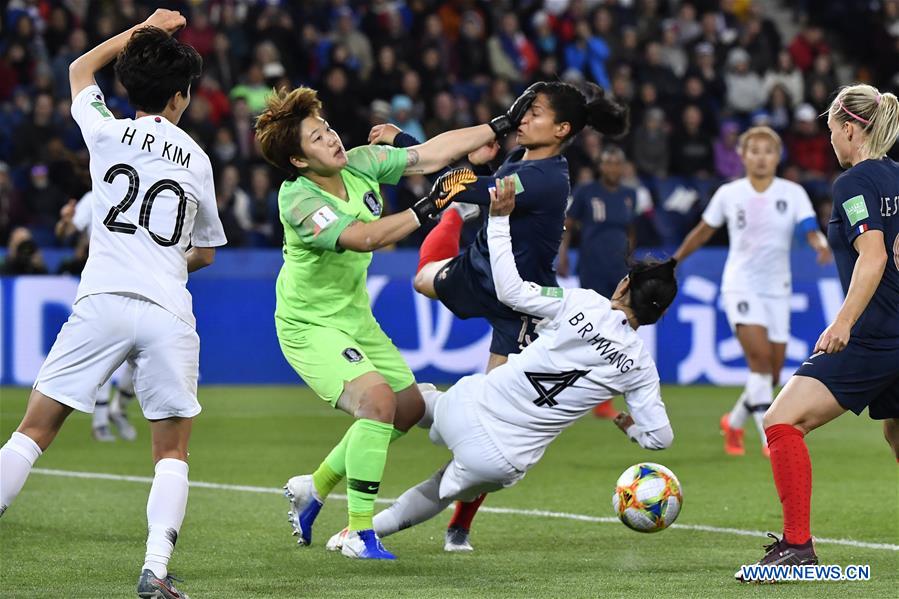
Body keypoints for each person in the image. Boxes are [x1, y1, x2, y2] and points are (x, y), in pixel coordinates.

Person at [0, 12, 227, 599]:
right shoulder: (198, 159)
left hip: (100, 298)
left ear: (130, 87)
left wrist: (144, 26)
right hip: (167, 309)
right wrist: (167, 261)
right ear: (180, 97)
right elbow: (204, 252)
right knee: (170, 452)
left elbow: (79, 68)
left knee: (33, 432)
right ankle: (154, 571)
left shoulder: (105, 130)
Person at [323, 176, 676, 550]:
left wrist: (498, 220)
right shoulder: (640, 366)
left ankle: (320, 483)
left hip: (469, 409)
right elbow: (661, 438)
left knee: (417, 401)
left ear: (623, 286)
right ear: (660, 313)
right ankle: (358, 536)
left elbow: (511, 292)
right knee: (439, 490)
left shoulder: (583, 303)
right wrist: (630, 427)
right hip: (501, 458)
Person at [254, 84, 506, 560]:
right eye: (316, 138)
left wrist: (496, 127)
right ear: (299, 162)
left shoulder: (361, 162)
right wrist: (425, 208)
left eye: (326, 128)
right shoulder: (299, 201)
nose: (331, 139)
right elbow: (365, 237)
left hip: (354, 317)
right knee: (376, 402)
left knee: (406, 409)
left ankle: (315, 487)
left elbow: (430, 155)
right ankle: (358, 530)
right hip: (309, 325)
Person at [386, 81, 628, 552]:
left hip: (519, 303)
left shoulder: (546, 177)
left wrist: (405, 152)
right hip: (482, 269)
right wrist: (440, 176)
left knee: (494, 417)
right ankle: (455, 221)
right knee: (421, 279)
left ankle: (459, 522)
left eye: (534, 113)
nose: (522, 118)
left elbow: (469, 185)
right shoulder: (522, 161)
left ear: (560, 129)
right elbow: (474, 182)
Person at [737, 84, 899, 578]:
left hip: (876, 335)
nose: (830, 141)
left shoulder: (854, 184)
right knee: (898, 436)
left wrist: (843, 323)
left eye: (832, 131)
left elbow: (871, 258)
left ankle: (797, 545)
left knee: (782, 421)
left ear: (850, 128)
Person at [673, 126, 831, 457]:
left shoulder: (792, 192)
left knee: (771, 372)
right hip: (741, 285)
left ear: (777, 157)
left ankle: (734, 421)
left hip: (778, 289)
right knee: (759, 363)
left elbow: (808, 228)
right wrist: (674, 261)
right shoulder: (730, 194)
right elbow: (704, 231)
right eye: (754, 150)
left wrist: (818, 244)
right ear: (742, 156)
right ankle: (768, 438)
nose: (761, 157)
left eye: (768, 151)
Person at [558, 146, 637, 420]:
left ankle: (603, 396)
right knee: (592, 328)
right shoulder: (586, 192)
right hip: (592, 266)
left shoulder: (630, 195)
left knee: (616, 332)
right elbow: (568, 222)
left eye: (617, 163)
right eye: (608, 163)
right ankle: (579, 388)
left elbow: (631, 230)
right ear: (601, 166)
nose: (613, 168)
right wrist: (563, 253)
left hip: (618, 270)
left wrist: (632, 262)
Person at [56, 192, 138, 443]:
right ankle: (101, 422)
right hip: (104, 283)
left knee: (144, 355)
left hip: (140, 280)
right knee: (103, 349)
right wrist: (65, 221)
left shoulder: (147, 187)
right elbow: (65, 231)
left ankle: (118, 409)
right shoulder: (96, 193)